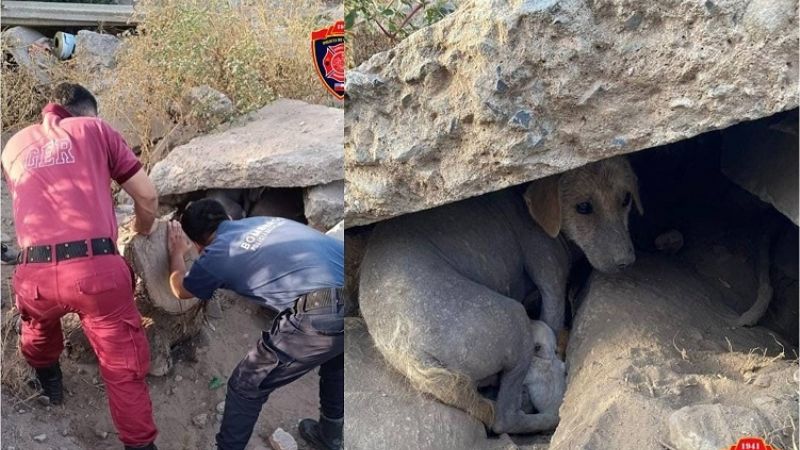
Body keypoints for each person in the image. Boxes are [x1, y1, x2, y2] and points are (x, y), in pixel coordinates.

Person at [1, 83, 160, 450]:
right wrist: (143, 229)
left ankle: (49, 385)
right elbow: (148, 194)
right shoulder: (96, 129)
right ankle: (140, 445)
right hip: (95, 273)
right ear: (86, 112)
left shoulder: (12, 147)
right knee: (123, 368)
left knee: (38, 328)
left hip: (34, 274)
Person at [166, 199, 344, 450]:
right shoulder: (260, 222)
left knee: (245, 385)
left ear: (197, 243)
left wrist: (176, 254)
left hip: (321, 311)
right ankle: (331, 434)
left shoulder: (217, 253)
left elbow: (180, 290)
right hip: (356, 290)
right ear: (228, 217)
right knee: (336, 354)